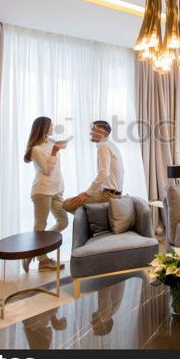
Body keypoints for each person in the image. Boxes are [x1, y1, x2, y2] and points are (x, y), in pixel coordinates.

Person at [23, 116, 69, 272]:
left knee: (63, 221)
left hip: (57, 189)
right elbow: (47, 170)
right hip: (42, 191)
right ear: (43, 128)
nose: (53, 127)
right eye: (50, 125)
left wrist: (58, 146)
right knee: (40, 225)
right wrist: (55, 152)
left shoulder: (50, 142)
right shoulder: (36, 149)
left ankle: (35, 248)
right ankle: (43, 260)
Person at [64, 120, 124, 212]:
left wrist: (87, 194)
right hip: (109, 191)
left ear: (101, 132)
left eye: (92, 130)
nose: (90, 133)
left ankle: (92, 220)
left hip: (109, 194)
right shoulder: (109, 144)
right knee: (79, 199)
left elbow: (104, 173)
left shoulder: (102, 145)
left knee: (67, 204)